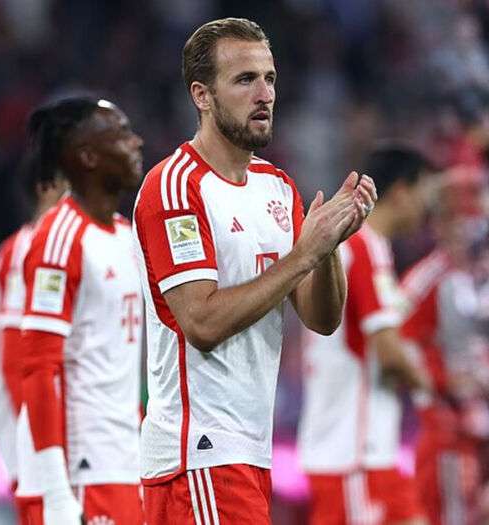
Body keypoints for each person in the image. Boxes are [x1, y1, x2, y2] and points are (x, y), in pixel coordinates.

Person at [132, 17, 376, 524]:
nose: (264, 94)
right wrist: (304, 255)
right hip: (198, 456)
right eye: (245, 79)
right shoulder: (175, 187)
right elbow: (201, 322)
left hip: (248, 450)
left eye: (269, 78)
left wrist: (328, 246)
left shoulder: (276, 186)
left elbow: (322, 318)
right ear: (201, 95)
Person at [15, 96, 146, 524]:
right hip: (77, 472)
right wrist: (56, 492)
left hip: (125, 460)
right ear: (88, 156)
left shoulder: (128, 237)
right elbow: (38, 367)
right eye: (121, 134)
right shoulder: (59, 239)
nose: (136, 142)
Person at [297, 144, 429, 525]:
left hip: (363, 450)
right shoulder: (363, 245)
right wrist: (429, 384)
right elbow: (387, 352)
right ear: (401, 192)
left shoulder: (364, 246)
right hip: (352, 452)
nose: (426, 208)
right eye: (423, 194)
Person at [0, 137, 66, 499]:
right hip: (39, 454)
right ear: (46, 188)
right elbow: (18, 363)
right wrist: (48, 455)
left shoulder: (76, 243)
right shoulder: (22, 251)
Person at [400, 206, 489, 525]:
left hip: (465, 416)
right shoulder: (426, 277)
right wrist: (441, 381)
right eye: (460, 223)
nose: (468, 233)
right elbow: (396, 338)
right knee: (442, 508)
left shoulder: (469, 275)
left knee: (464, 506)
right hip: (436, 417)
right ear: (441, 227)